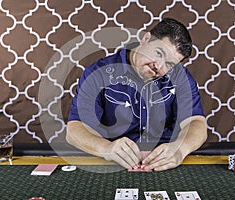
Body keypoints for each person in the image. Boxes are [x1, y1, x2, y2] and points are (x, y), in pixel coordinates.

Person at [66, 18, 207, 171]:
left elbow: (196, 123)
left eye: (169, 64)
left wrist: (180, 149)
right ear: (146, 39)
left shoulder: (181, 77)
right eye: (159, 53)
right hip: (114, 163)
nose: (159, 67)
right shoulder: (98, 72)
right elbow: (75, 130)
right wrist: (107, 149)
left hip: (163, 164)